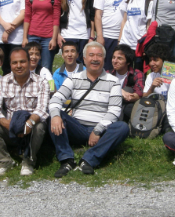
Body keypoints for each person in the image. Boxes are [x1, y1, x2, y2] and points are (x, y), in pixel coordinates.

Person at [49, 41, 129, 177]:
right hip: (78, 127)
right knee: (53, 115)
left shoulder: (113, 81)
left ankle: (88, 160)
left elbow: (115, 110)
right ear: (84, 59)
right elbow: (56, 99)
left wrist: (98, 130)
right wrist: (56, 116)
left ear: (104, 59)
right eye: (91, 55)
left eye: (99, 55)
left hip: (101, 128)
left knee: (122, 127)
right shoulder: (73, 78)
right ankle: (67, 160)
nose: (95, 59)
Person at [0, 48, 50, 176]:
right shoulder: (3, 81)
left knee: (40, 126)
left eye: (22, 62)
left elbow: (42, 109)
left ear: (29, 62)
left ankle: (28, 161)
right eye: (14, 63)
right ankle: (4, 161)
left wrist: (29, 124)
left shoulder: (41, 82)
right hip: (9, 127)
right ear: (10, 64)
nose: (18, 66)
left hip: (31, 128)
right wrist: (7, 123)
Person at [23, 0, 62, 72]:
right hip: (32, 35)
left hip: (48, 37)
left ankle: (48, 89)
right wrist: (25, 37)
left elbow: (56, 19)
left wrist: (54, 38)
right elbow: (27, 16)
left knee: (46, 68)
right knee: (30, 67)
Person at [93, 0, 132, 70]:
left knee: (121, 69)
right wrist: (100, 36)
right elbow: (97, 15)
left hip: (123, 38)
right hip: (106, 37)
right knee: (105, 69)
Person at [118, 0, 154, 70]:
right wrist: (120, 40)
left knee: (138, 73)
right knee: (124, 71)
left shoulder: (150, 1)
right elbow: (124, 21)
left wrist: (146, 45)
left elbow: (148, 26)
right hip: (126, 43)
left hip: (139, 45)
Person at [107, 45, 143, 122]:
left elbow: (139, 94)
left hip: (127, 104)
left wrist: (129, 97)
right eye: (113, 57)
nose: (115, 61)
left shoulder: (137, 74)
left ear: (128, 62)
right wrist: (121, 92)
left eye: (119, 58)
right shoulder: (108, 74)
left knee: (128, 90)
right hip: (110, 104)